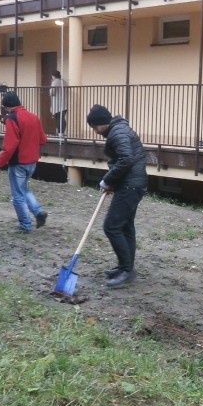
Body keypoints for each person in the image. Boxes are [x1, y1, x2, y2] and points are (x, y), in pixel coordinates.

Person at [86, 104, 147, 288]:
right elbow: (123, 160)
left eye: (95, 127)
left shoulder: (117, 132)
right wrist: (114, 182)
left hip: (130, 186)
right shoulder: (119, 129)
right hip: (132, 184)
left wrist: (107, 180)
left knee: (111, 226)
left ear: (101, 123)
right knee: (125, 226)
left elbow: (126, 159)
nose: (95, 131)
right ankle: (125, 267)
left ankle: (127, 271)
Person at [0, 91, 48, 233]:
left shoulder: (12, 118)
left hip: (18, 162)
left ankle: (25, 225)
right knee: (24, 189)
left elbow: (10, 145)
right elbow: (42, 139)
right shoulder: (34, 117)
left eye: (4, 108)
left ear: (7, 107)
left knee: (18, 195)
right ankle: (38, 211)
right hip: (32, 161)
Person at [49, 71, 68, 136]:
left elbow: (52, 93)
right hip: (64, 103)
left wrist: (51, 84)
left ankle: (60, 132)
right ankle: (61, 132)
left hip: (57, 104)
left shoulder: (55, 82)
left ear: (53, 76)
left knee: (59, 119)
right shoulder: (64, 82)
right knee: (62, 118)